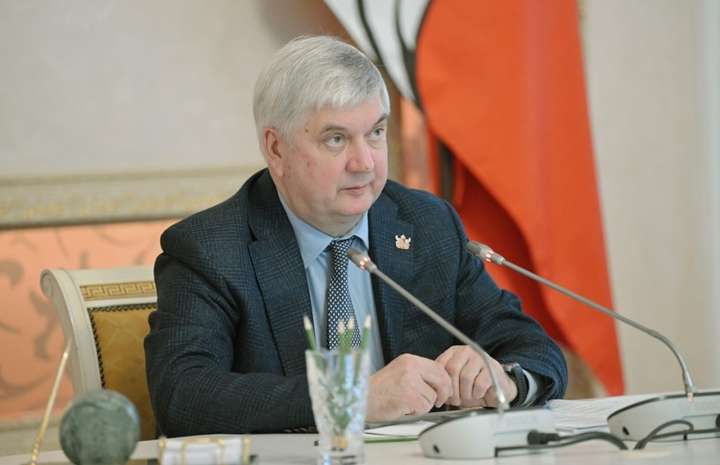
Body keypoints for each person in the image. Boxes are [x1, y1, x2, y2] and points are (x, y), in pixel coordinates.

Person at [144, 35, 567, 437]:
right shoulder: (210, 249)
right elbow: (183, 395)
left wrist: (505, 379)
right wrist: (351, 397)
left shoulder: (427, 224)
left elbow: (533, 349)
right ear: (276, 149)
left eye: (376, 133)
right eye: (336, 139)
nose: (364, 162)